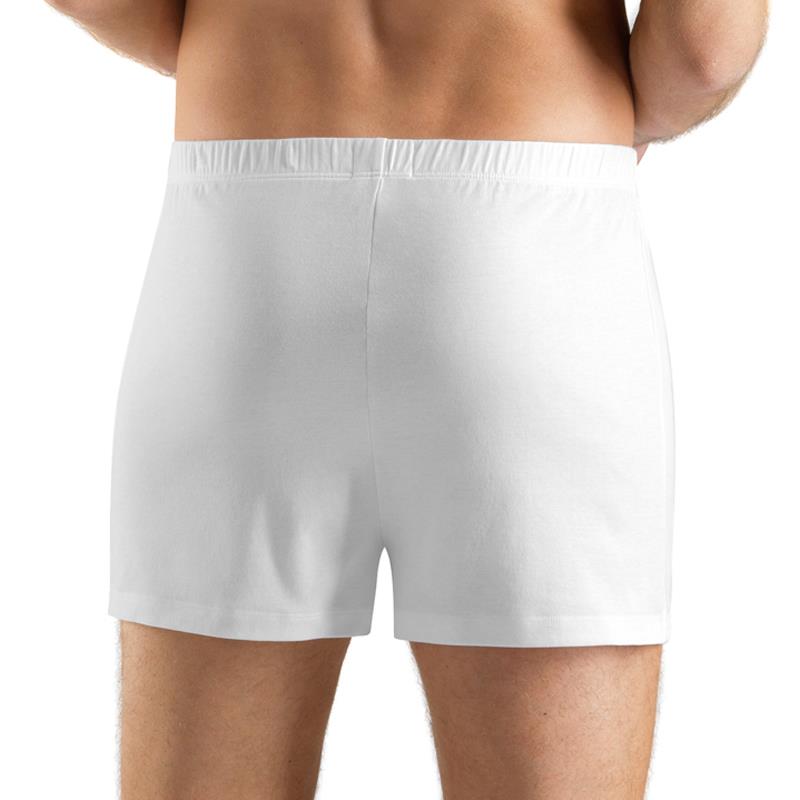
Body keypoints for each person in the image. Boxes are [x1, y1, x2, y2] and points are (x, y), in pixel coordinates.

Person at [46, 1, 769, 798]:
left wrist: (217, 36)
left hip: (241, 247)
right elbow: (704, 49)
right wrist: (639, 115)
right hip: (532, 237)